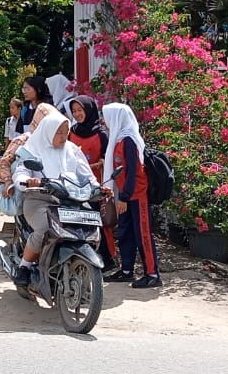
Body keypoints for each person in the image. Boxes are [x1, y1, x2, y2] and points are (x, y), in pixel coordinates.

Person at [10, 111, 96, 288]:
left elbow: (87, 175)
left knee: (91, 225)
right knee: (44, 228)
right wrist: (28, 181)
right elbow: (20, 172)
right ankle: (24, 267)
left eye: (66, 131)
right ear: (48, 131)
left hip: (70, 200)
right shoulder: (31, 149)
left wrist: (98, 187)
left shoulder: (72, 149)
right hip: (39, 199)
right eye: (59, 132)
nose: (64, 136)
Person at [102, 102, 161, 288]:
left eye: (107, 117)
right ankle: (126, 270)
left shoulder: (129, 140)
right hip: (126, 195)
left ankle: (152, 274)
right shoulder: (118, 139)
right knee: (125, 232)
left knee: (142, 233)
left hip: (137, 195)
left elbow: (134, 171)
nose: (104, 121)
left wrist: (125, 197)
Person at [66, 95, 119, 271]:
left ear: (88, 110)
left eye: (80, 110)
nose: (77, 114)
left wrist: (97, 164)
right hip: (75, 185)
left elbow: (107, 159)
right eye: (74, 111)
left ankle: (107, 259)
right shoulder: (71, 132)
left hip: (96, 186)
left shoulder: (101, 134)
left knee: (99, 222)